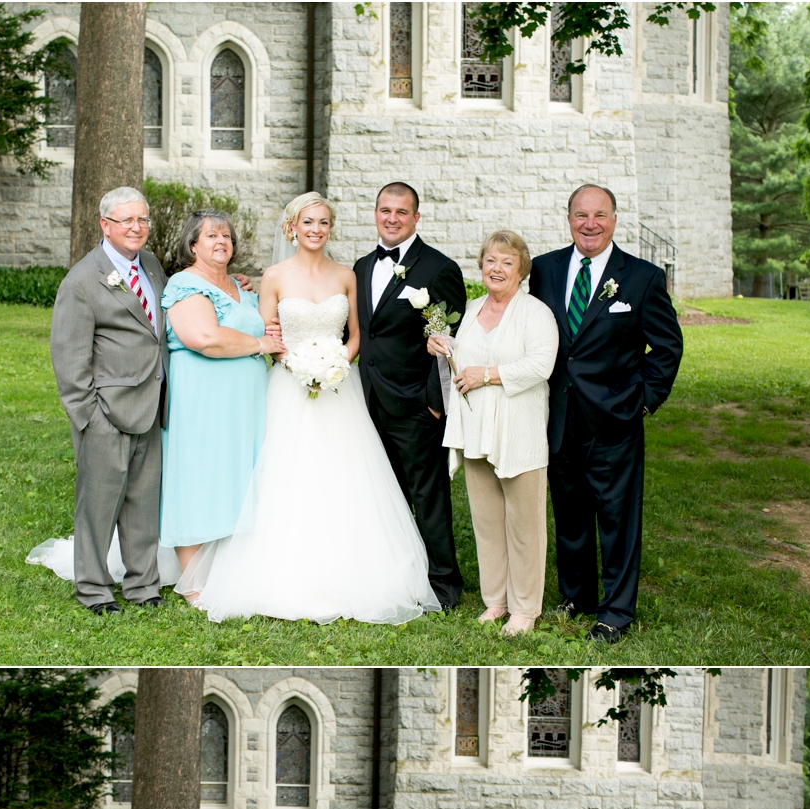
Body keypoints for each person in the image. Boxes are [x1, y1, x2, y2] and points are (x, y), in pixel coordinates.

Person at [176, 192, 439, 625]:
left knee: (345, 475)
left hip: (339, 388)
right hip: (290, 386)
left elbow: (356, 334)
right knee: (287, 475)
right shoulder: (274, 276)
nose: (315, 230)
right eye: (307, 223)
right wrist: (297, 364)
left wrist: (338, 363)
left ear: (329, 228)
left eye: (323, 223)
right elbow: (268, 334)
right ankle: (280, 572)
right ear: (291, 228)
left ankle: (354, 570)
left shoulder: (347, 275)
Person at [529, 185, 684, 643]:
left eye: (599, 215)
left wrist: (642, 398)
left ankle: (616, 611)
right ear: (569, 218)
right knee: (570, 511)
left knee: (617, 517)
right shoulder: (544, 270)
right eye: (580, 215)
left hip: (615, 416)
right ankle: (577, 597)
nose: (589, 223)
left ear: (614, 219)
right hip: (559, 414)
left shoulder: (641, 277)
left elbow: (667, 347)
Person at [43, 187, 169, 614]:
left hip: (150, 403)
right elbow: (69, 357)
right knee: (97, 507)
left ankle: (142, 585)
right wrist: (88, 416)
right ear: (105, 225)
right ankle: (94, 590)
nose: (137, 228)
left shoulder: (150, 266)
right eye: (126, 220)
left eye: (142, 220)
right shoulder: (81, 281)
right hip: (106, 414)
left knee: (143, 502)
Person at [430, 231, 559, 634]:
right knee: (487, 524)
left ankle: (524, 608)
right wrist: (445, 346)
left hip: (517, 432)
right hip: (476, 430)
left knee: (524, 526)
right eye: (490, 261)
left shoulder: (536, 313)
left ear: (521, 269)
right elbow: (467, 358)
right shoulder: (470, 310)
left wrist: (487, 376)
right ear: (481, 266)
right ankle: (496, 602)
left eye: (506, 262)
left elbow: (541, 365)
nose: (497, 268)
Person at [160, 211, 285, 599]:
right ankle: (193, 585)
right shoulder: (185, 284)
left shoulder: (238, 286)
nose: (221, 241)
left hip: (242, 405)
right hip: (201, 402)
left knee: (233, 477)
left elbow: (261, 323)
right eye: (211, 235)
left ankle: (227, 568)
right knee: (198, 476)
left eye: (227, 236)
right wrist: (262, 345)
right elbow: (205, 338)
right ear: (193, 244)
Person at [355, 183, 467, 611]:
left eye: (402, 212)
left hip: (417, 405)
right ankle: (396, 575)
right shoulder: (363, 267)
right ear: (376, 213)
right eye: (385, 210)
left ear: (416, 218)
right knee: (384, 495)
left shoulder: (437, 268)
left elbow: (446, 336)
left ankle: (443, 583)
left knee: (428, 497)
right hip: (367, 402)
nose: (393, 218)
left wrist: (432, 400)